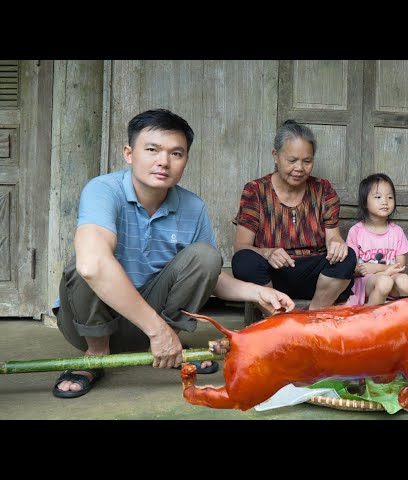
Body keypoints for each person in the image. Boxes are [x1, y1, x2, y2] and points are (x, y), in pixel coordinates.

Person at [52, 109, 295, 399]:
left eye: (176, 153)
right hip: (88, 324)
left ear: (185, 160)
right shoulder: (103, 190)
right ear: (129, 154)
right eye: (152, 150)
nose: (163, 162)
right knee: (85, 261)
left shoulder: (193, 207)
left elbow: (210, 275)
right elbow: (92, 265)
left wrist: (258, 293)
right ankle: (96, 355)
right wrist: (158, 331)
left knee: (205, 255)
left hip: (150, 321)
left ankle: (167, 350)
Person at [231, 119, 356, 310]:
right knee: (243, 261)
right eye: (292, 161)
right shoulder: (256, 190)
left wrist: (336, 244)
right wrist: (268, 252)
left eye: (307, 161)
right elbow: (241, 246)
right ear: (276, 155)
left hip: (317, 280)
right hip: (273, 277)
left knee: (347, 256)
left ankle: (312, 316)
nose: (299, 168)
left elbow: (334, 237)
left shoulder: (323, 189)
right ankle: (277, 317)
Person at [345, 173, 408, 305]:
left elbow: (400, 267)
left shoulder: (397, 232)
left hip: (392, 276)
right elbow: (353, 268)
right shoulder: (356, 231)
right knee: (384, 281)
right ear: (365, 202)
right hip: (367, 283)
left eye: (390, 197)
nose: (385, 201)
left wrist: (375, 268)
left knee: (405, 281)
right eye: (378, 197)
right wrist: (384, 270)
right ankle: (371, 321)